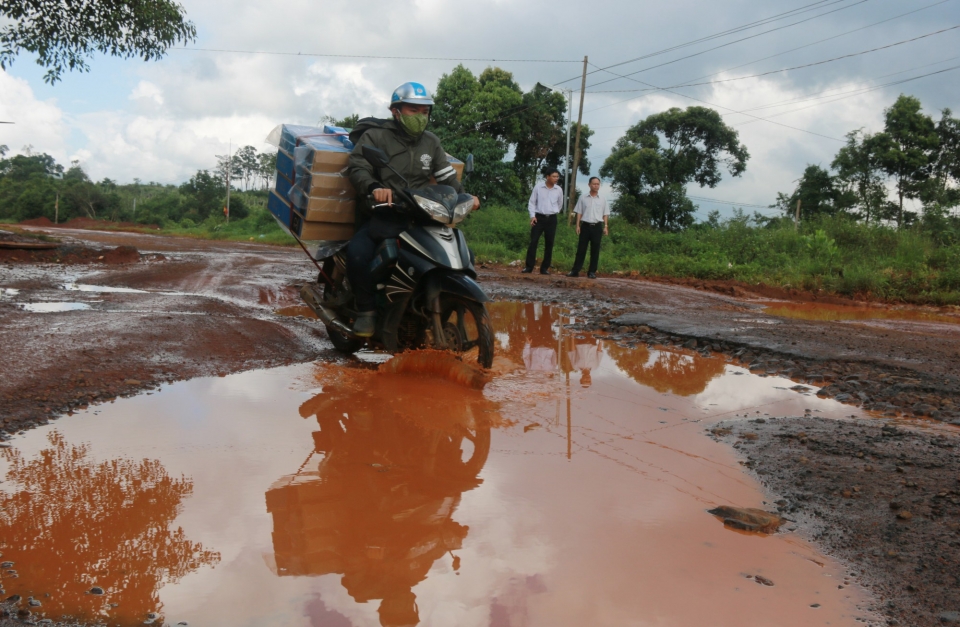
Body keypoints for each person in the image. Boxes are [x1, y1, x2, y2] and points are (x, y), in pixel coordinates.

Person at [346, 82, 480, 337]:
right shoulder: (376, 136)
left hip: (422, 214)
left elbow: (446, 175)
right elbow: (358, 167)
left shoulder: (431, 142)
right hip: (384, 211)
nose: (420, 116)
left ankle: (440, 302)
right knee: (359, 253)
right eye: (413, 110)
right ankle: (366, 311)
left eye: (425, 111)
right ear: (396, 111)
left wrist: (465, 195)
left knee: (465, 256)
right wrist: (374, 187)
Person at [567, 176, 609, 279]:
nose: (596, 185)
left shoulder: (603, 199)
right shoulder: (583, 197)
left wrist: (606, 226)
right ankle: (575, 270)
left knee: (595, 250)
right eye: (594, 184)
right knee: (581, 249)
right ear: (589, 185)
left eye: (598, 184)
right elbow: (579, 212)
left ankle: (592, 272)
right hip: (585, 226)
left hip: (597, 227)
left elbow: (605, 214)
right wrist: (577, 225)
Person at [523, 168, 563, 275]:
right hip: (538, 218)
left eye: (557, 176)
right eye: (554, 176)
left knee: (549, 243)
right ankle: (529, 267)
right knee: (533, 241)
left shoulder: (558, 189)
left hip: (552, 219)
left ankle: (544, 268)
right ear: (547, 177)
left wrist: (553, 211)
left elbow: (560, 204)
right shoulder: (538, 187)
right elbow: (532, 202)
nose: (556, 179)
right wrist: (532, 216)